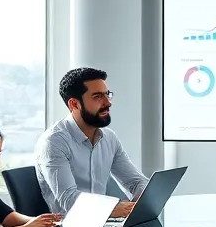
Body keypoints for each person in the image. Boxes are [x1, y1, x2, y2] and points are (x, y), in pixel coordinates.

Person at [36, 67, 147, 217]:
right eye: (97, 97)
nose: (108, 103)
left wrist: (138, 205)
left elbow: (136, 182)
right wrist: (113, 209)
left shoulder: (109, 138)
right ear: (74, 104)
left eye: (107, 95)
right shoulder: (54, 142)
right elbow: (69, 201)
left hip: (102, 226)